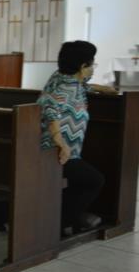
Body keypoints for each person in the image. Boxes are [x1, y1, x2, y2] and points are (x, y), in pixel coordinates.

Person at [38, 40, 116, 234]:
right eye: (92, 64)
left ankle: (1, 210)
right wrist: (60, 142)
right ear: (82, 66)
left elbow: (80, 86)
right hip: (56, 152)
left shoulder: (64, 78)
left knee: (81, 181)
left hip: (66, 151)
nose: (93, 68)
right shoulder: (65, 89)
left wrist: (100, 88)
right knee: (94, 180)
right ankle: (59, 223)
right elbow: (49, 108)